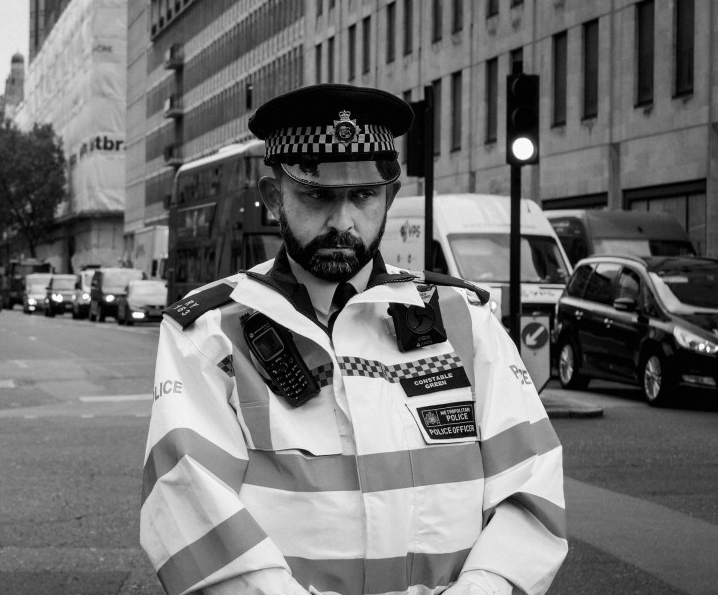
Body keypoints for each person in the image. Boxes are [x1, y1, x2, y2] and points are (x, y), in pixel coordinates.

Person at [140, 84, 566, 595]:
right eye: (317, 196)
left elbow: (531, 489)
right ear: (274, 197)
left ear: (391, 193)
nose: (343, 221)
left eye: (362, 196)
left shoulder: (465, 321)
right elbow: (189, 505)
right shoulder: (209, 332)